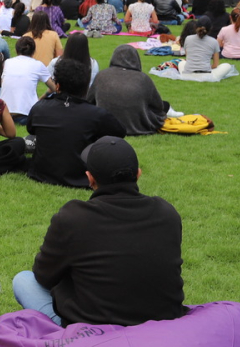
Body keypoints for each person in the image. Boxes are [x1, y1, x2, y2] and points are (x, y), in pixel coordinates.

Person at [13, 136, 186, 327]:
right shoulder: (167, 212)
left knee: (23, 280)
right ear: (138, 174)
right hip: (162, 322)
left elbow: (43, 276)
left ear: (90, 178)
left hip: (93, 331)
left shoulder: (73, 217)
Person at [26, 58, 126, 189]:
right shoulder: (97, 114)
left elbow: (31, 130)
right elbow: (119, 133)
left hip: (41, 173)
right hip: (80, 176)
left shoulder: (39, 108)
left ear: (58, 85)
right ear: (86, 86)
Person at [88, 44, 168, 136]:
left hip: (104, 124)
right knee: (164, 106)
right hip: (138, 126)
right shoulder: (143, 79)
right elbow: (158, 106)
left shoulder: (102, 75)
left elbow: (89, 101)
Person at [0, 36, 55, 121]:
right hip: (26, 115)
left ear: (16, 50)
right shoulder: (38, 65)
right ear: (34, 51)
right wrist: (41, 99)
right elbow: (54, 88)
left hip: (4, 113)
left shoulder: (7, 62)